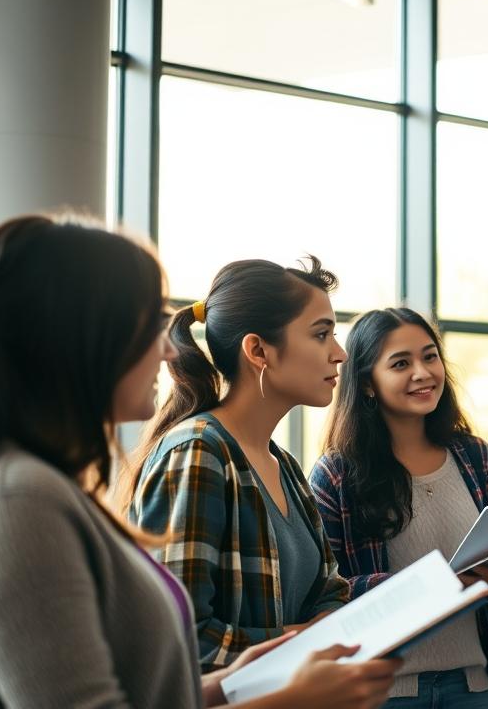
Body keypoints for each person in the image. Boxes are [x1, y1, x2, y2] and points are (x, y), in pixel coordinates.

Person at [0, 215, 398, 708]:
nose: (168, 349)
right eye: (147, 323)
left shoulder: (39, 489)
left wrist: (225, 684)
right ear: (84, 334)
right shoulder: (15, 500)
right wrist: (286, 698)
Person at [123, 256, 351, 669]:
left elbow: (331, 589)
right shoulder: (197, 453)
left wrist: (323, 633)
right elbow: (179, 635)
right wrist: (299, 643)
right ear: (258, 349)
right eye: (321, 335)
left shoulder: (286, 467)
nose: (339, 354)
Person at [310, 307, 488, 709]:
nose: (423, 373)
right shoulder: (336, 474)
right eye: (400, 363)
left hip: (474, 685)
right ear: (368, 384)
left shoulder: (474, 455)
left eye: (430, 356)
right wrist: (423, 584)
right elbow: (324, 591)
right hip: (383, 692)